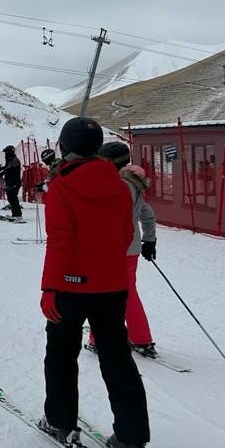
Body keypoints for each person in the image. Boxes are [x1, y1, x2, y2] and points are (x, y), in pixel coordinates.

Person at [39, 116, 152, 448]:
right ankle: (133, 439)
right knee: (117, 358)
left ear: (65, 146)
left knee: (61, 353)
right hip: (112, 286)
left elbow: (59, 242)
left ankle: (60, 421)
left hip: (71, 286)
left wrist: (50, 288)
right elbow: (123, 236)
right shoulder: (120, 185)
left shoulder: (62, 185)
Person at [87, 141, 159, 357]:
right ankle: (139, 337)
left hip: (115, 250)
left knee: (107, 294)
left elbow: (111, 218)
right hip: (129, 248)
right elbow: (146, 213)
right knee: (125, 293)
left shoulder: (119, 185)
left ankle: (103, 339)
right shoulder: (132, 183)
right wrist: (149, 240)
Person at [0, 145, 23, 219]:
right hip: (10, 182)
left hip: (14, 182)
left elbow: (13, 172)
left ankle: (18, 214)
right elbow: (8, 168)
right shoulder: (10, 159)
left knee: (13, 198)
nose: (5, 153)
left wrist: (11, 183)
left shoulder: (15, 160)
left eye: (6, 152)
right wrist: (2, 170)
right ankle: (14, 214)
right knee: (10, 198)